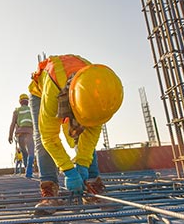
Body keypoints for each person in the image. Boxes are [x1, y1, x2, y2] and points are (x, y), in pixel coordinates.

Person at [28, 54, 123, 215]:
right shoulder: (53, 91)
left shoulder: (99, 90)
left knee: (85, 129)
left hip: (77, 87)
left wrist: (83, 164)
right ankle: (50, 190)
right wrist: (69, 171)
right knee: (40, 137)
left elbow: (91, 132)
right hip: (43, 90)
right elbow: (48, 137)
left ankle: (92, 184)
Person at [8, 94, 35, 178]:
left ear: (20, 102)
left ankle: (27, 169)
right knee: (31, 152)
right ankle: (29, 172)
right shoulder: (31, 110)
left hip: (20, 134)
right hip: (29, 133)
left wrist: (10, 135)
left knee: (24, 152)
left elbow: (13, 124)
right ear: (28, 101)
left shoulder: (17, 110)